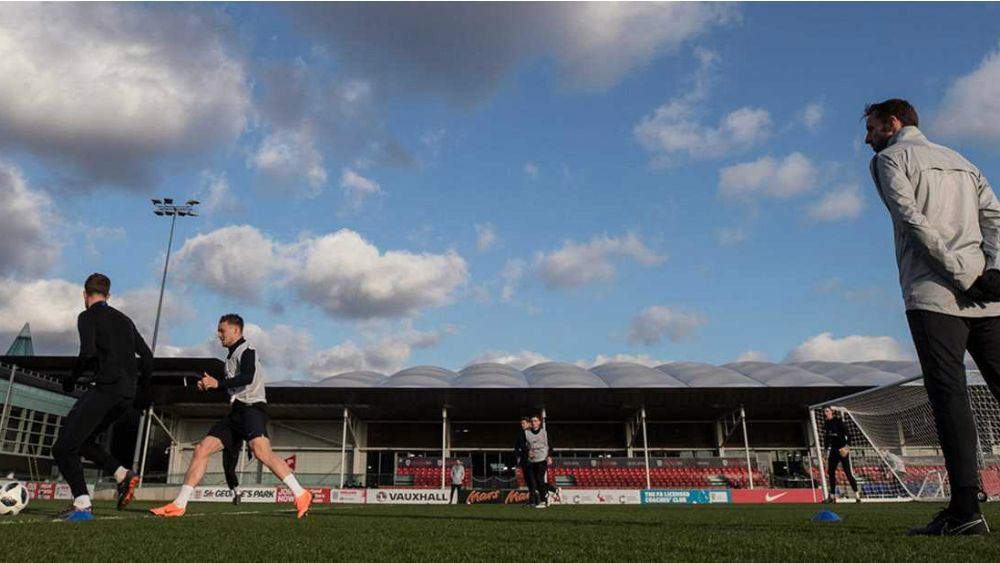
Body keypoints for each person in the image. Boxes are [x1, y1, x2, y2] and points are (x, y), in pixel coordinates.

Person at [865, 98, 1000, 535]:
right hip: (988, 295)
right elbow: (995, 220)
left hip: (934, 294)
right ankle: (964, 511)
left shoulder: (890, 160)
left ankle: (965, 511)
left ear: (893, 122)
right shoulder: (963, 161)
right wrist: (993, 271)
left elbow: (913, 222)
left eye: (871, 128)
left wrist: (963, 275)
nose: (867, 138)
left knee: (951, 399)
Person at [150, 314, 312, 518]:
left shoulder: (247, 351)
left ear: (236, 330)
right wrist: (211, 386)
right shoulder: (229, 358)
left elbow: (247, 377)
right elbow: (234, 386)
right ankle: (179, 504)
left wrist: (217, 383)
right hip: (236, 412)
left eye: (222, 331)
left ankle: (301, 493)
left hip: (252, 408)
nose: (219, 335)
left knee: (262, 452)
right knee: (202, 449)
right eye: (218, 331)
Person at [53, 273, 152, 521]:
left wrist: (71, 380)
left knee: (63, 448)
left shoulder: (87, 316)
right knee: (84, 442)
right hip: (126, 394)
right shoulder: (125, 320)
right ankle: (122, 475)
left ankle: (82, 504)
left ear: (85, 295)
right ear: (108, 295)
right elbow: (148, 357)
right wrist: (141, 392)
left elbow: (86, 353)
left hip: (106, 388)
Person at [822, 407, 859, 504]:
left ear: (832, 412)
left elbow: (848, 435)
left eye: (827, 411)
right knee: (830, 472)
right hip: (833, 450)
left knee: (847, 472)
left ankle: (857, 496)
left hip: (842, 449)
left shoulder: (838, 421)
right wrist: (825, 451)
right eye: (824, 412)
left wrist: (846, 447)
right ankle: (832, 496)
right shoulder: (826, 424)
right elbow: (827, 438)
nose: (825, 413)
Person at [525, 414, 553, 508]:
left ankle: (543, 498)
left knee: (539, 478)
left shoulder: (544, 433)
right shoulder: (527, 433)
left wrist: (549, 456)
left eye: (536, 421)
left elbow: (551, 446)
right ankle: (550, 493)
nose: (534, 423)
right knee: (535, 481)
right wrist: (527, 452)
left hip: (542, 459)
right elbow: (523, 446)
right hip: (532, 461)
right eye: (532, 421)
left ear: (540, 422)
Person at [514, 417, 535, 506]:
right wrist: (518, 454)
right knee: (528, 480)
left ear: (528, 423)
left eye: (523, 423)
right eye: (521, 423)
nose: (522, 425)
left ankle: (533, 501)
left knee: (532, 480)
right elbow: (516, 446)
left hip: (532, 460)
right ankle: (533, 500)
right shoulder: (520, 434)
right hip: (524, 460)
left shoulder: (532, 433)